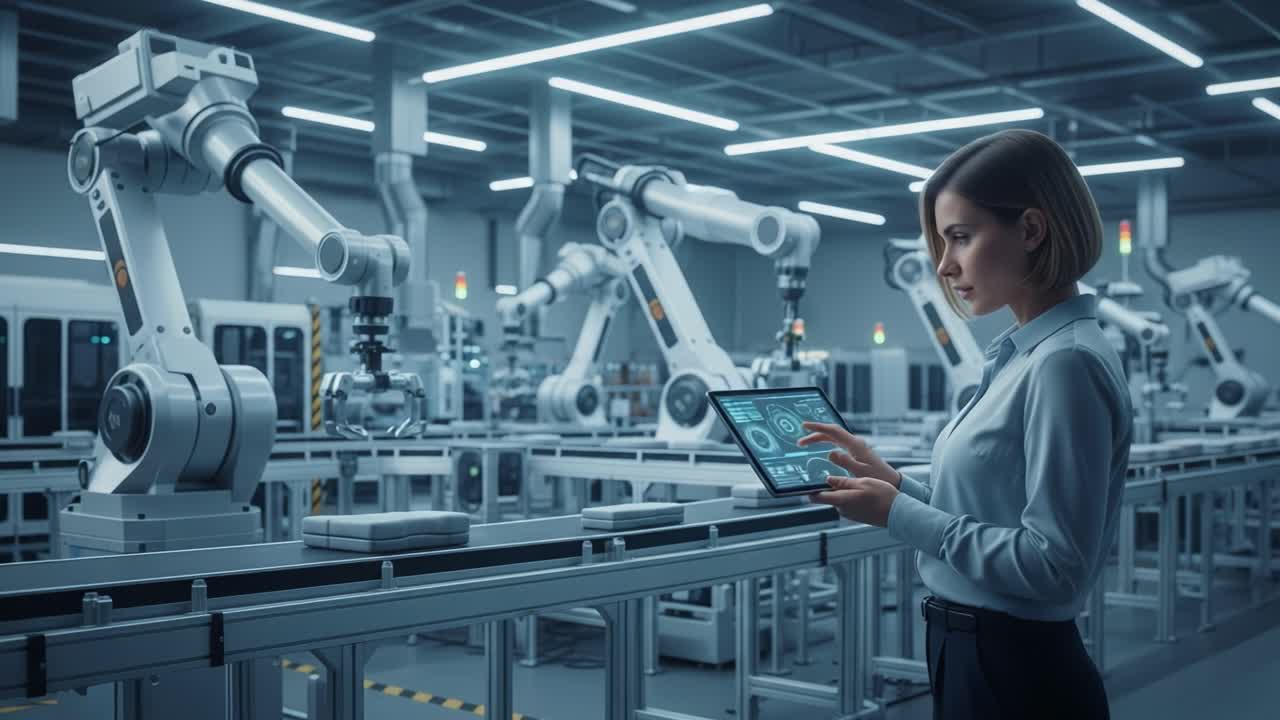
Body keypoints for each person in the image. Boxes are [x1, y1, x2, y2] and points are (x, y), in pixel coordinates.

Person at [799, 128, 1132, 719]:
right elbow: (991, 511)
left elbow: (1053, 567)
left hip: (1014, 670)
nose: (946, 266)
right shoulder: (1025, 355)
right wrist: (896, 484)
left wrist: (898, 514)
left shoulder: (1065, 363)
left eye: (961, 237)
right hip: (975, 652)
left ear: (1031, 230)